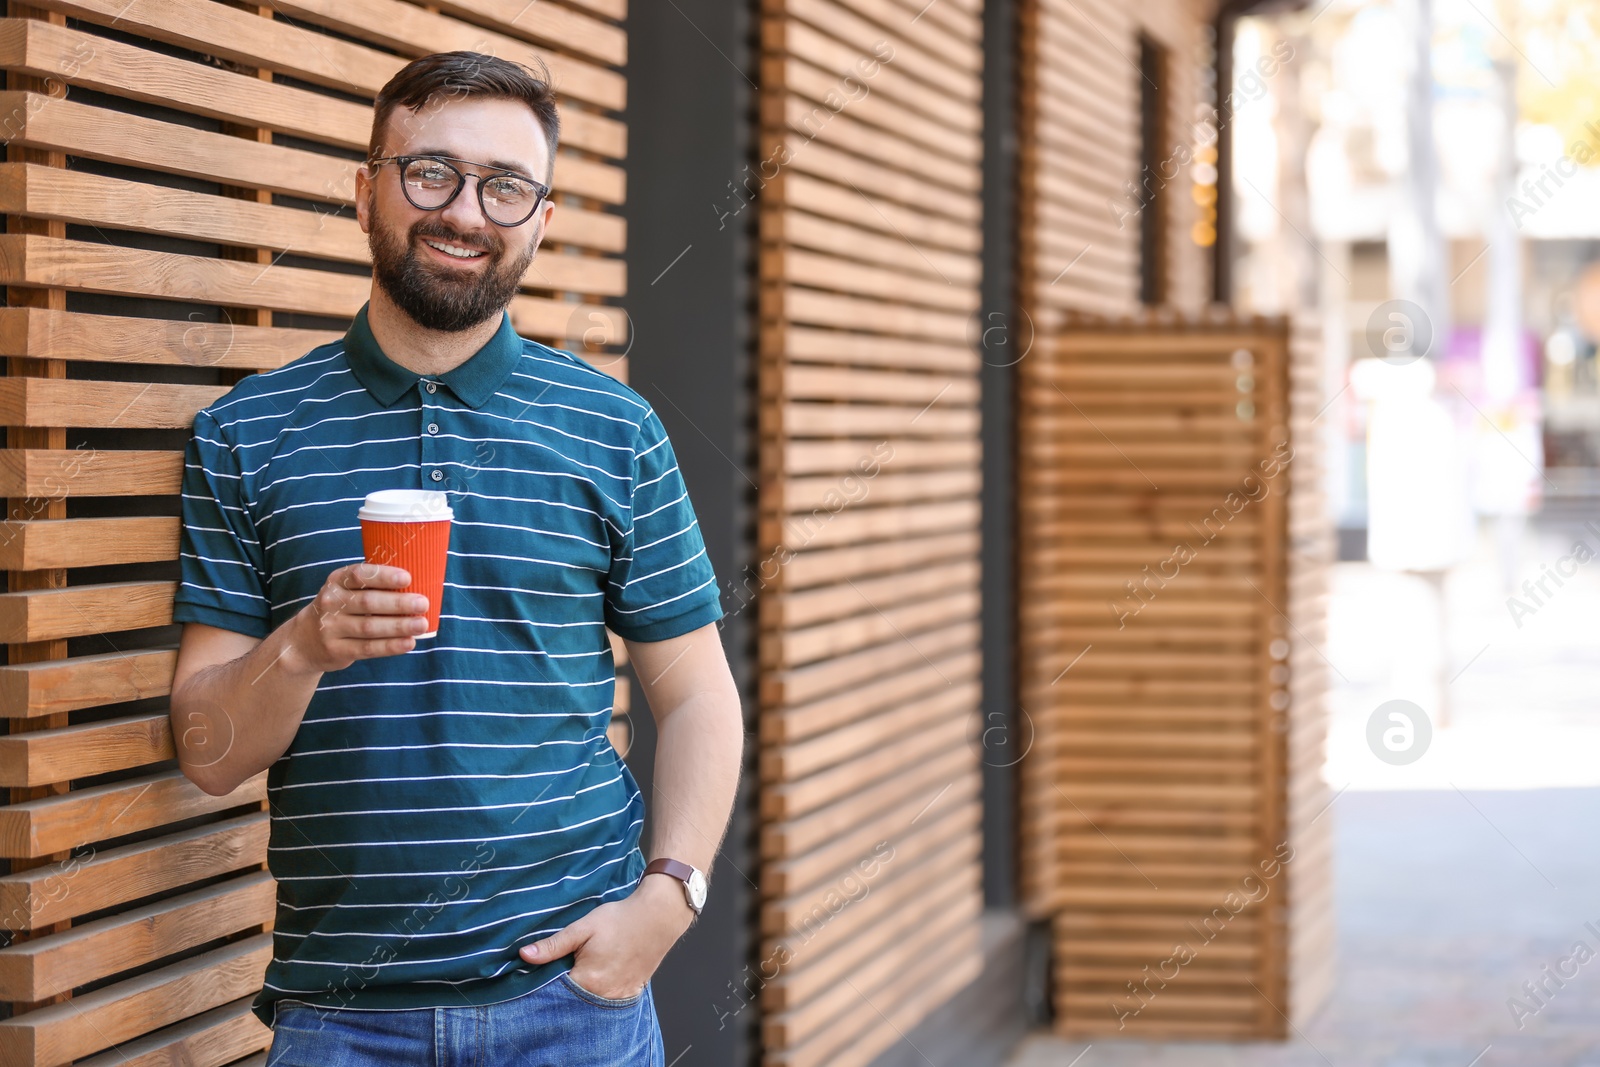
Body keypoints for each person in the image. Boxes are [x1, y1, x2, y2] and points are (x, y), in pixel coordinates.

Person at [168, 50, 743, 1066]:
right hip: (338, 1016)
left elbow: (696, 691)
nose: (465, 212)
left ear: (541, 220)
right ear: (366, 190)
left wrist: (669, 896)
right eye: (430, 171)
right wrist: (300, 645)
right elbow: (207, 751)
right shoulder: (244, 434)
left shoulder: (613, 428)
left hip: (574, 1005)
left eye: (505, 186)